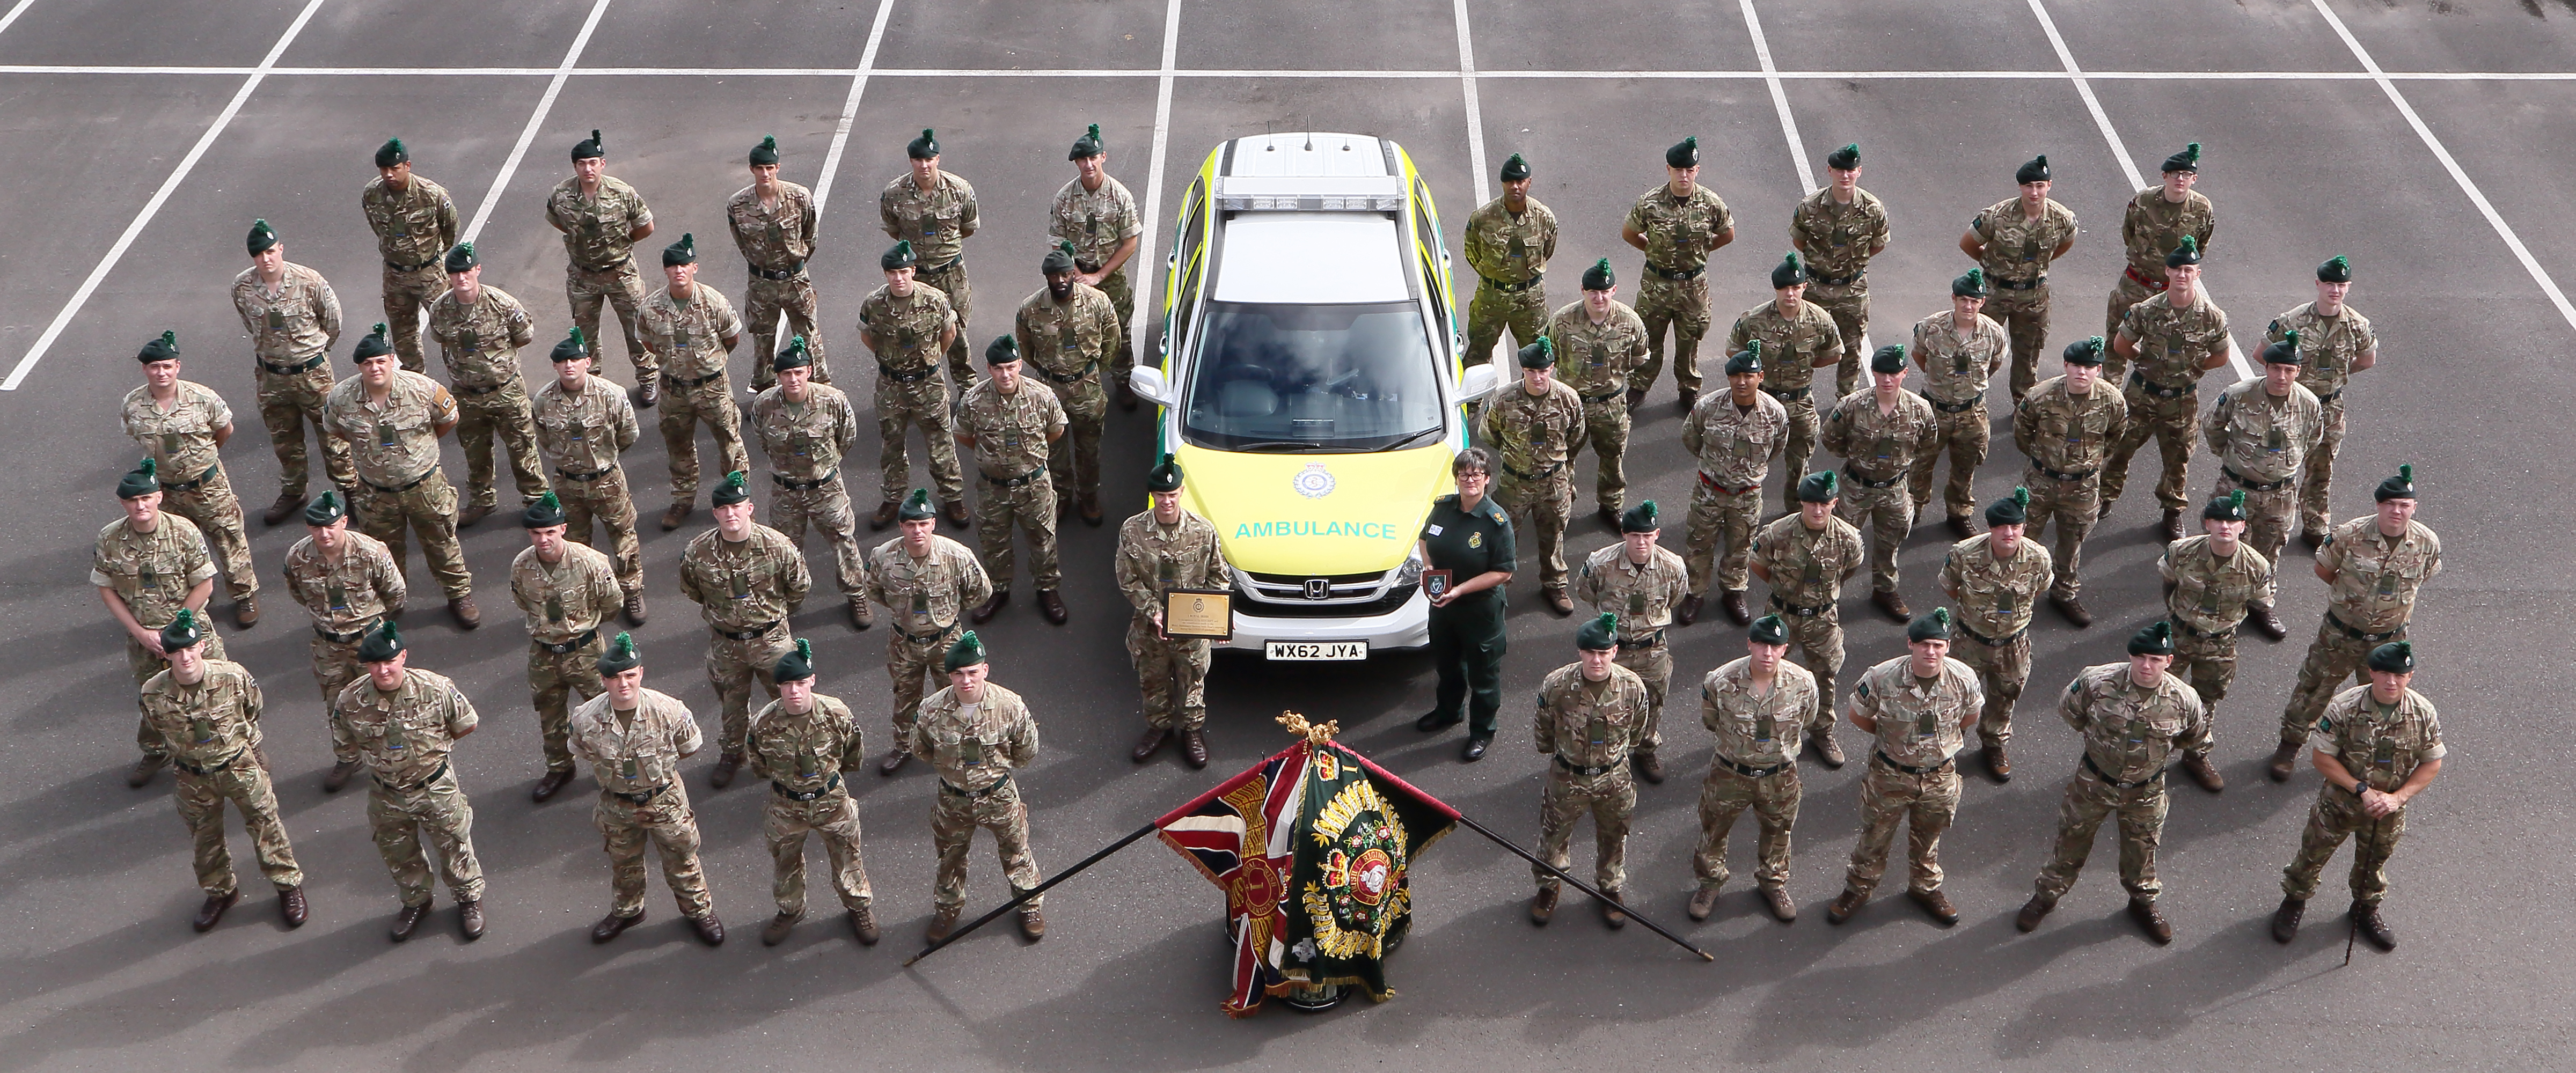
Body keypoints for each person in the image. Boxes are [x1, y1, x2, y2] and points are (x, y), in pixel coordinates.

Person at [2016, 621, 2211, 944]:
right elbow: (2070, 710)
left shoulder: (2184, 699)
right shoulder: (2097, 681)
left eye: (2155, 659)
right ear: (2130, 656)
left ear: (2169, 661)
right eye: (2140, 657)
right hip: (2094, 781)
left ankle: (2142, 902)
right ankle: (2047, 896)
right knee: (2071, 839)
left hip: (2146, 790)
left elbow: (2193, 737)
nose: (2146, 666)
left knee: (2142, 850)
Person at [140, 609, 305, 933]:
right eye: (177, 651)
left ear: (202, 646)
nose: (185, 658)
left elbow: (253, 708)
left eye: (190, 649)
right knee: (205, 838)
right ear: (167, 654)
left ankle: (288, 886)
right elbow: (155, 728)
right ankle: (221, 892)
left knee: (265, 825)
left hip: (238, 765)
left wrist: (248, 747)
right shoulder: (153, 693)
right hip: (192, 776)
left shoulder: (231, 676)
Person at [2271, 641, 2442, 952]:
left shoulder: (2422, 712)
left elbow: (2432, 762)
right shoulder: (2344, 707)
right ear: (2372, 673)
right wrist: (2361, 789)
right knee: (2313, 853)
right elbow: (2322, 758)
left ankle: (2365, 909)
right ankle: (2295, 900)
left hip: (2387, 810)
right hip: (2342, 802)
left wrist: (2398, 798)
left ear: (2410, 676)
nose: (2392, 681)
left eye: (2400, 675)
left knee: (2373, 863)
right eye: (2385, 674)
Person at [2270, 465, 2439, 781]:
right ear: (2379, 505)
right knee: (2314, 688)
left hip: (2389, 640)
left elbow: (2425, 576)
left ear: (2414, 507)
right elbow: (2324, 569)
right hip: (2341, 633)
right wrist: (2351, 601)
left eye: (2404, 505)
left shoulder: (2427, 543)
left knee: (2381, 699)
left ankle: (2358, 755)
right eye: (2390, 504)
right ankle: (2289, 745)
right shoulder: (2351, 534)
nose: (2397, 511)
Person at [332, 621, 486, 942]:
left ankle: (469, 899)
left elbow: (465, 724)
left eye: (389, 661)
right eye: (375, 664)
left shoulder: (436, 688)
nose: (383, 670)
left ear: (403, 655)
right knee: (398, 851)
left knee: (453, 843)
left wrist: (433, 754)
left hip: (434, 786)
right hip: (385, 793)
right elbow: (346, 741)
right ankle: (417, 901)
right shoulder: (351, 700)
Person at [1827, 608, 1981, 927]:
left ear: (1948, 647)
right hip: (1890, 774)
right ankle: (1858, 888)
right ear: (1910, 644)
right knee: (1875, 836)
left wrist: (1945, 742)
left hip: (1939, 776)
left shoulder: (1963, 678)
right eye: (1924, 644)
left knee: (1929, 837)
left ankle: (1925, 888)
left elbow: (1971, 717)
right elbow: (1857, 715)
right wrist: (1888, 739)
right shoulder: (1882, 677)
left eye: (1938, 645)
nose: (1931, 651)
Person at [322, 324, 479, 627]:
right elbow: (335, 430)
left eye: (381, 361)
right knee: (383, 552)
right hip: (375, 492)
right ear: (359, 367)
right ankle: (391, 602)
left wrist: (423, 452)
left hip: (424, 485)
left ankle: (459, 595)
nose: (375, 368)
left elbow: (449, 419)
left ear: (392, 360)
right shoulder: (342, 397)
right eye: (368, 364)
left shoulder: (423, 389)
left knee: (441, 543)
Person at [572, 634, 724, 946]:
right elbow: (582, 751)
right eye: (614, 678)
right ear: (603, 679)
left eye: (630, 675)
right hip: (617, 806)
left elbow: (689, 747)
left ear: (641, 673)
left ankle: (698, 911)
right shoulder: (586, 718)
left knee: (682, 859)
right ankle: (628, 910)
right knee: (623, 862)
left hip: (664, 800)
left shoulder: (669, 710)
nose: (623, 684)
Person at [99, 458, 229, 789]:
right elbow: (107, 588)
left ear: (158, 496)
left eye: (146, 498)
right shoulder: (110, 539)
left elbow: (205, 585)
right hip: (145, 639)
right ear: (123, 503)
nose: (140, 506)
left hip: (189, 633)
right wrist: (139, 632)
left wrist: (175, 628)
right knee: (154, 697)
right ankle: (156, 750)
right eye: (132, 500)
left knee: (217, 692)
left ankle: (243, 748)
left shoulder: (183, 532)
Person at [678, 471, 812, 789]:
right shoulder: (699, 552)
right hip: (727, 644)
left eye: (737, 506)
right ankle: (733, 753)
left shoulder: (777, 546)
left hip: (772, 640)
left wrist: (774, 616)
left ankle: (794, 751)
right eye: (723, 509)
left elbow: (799, 586)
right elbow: (692, 589)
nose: (730, 514)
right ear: (715, 513)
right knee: (731, 704)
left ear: (749, 508)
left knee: (788, 699)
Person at [912, 631, 1046, 943]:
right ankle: (947, 909)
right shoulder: (932, 709)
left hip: (998, 794)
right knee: (950, 857)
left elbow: (1027, 749)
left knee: (1016, 851)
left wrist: (996, 772)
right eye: (958, 674)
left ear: (985, 670)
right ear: (950, 676)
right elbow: (921, 749)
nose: (966, 681)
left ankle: (1029, 904)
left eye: (973, 672)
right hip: (953, 798)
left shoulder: (1010, 706)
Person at [747, 638, 879, 946]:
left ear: (812, 681)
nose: (794, 691)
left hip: (831, 800)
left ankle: (858, 906)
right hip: (786, 804)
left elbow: (852, 753)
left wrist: (828, 780)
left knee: (847, 855)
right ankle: (790, 909)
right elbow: (758, 762)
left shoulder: (836, 713)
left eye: (801, 683)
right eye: (787, 685)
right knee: (785, 861)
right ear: (778, 686)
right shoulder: (764, 722)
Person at [122, 330, 258, 626]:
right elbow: (137, 438)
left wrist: (203, 460)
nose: (161, 372)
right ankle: (194, 597)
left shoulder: (203, 397)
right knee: (176, 545)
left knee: (228, 538)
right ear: (144, 369)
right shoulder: (133, 405)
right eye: (155, 367)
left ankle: (244, 594)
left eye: (167, 366)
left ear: (177, 367)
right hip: (165, 490)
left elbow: (225, 430)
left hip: (207, 485)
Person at [2101, 236, 2232, 541]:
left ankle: (2172, 511)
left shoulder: (2212, 316)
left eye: (2190, 269)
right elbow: (2122, 345)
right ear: (2168, 272)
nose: (2183, 275)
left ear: (2198, 274)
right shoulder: (2146, 309)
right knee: (2121, 446)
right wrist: (2144, 361)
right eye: (2178, 270)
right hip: (2142, 392)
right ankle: (2105, 496)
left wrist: (2195, 369)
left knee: (2178, 457)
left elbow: (2222, 356)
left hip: (2182, 399)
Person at [1690, 614, 1818, 923]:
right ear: (1749, 644)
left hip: (1779, 775)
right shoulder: (1721, 680)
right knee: (1714, 829)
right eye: (1761, 645)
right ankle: (1710, 883)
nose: (1767, 653)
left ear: (1785, 648)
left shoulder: (1803, 683)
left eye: (1775, 646)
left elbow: (1809, 721)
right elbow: (1711, 719)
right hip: (1731, 771)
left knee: (1778, 832)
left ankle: (1773, 882)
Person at [1528, 613, 1650, 929]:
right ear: (1580, 652)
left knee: (1615, 834)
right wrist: (1552, 752)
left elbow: (1637, 731)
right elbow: (1544, 727)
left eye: (1603, 652)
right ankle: (1549, 886)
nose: (1597, 660)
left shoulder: (1632, 687)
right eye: (1590, 653)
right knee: (1554, 834)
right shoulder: (1557, 685)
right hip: (1568, 774)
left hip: (1614, 776)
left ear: (1614, 650)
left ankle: (1610, 889)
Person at [231, 217, 355, 525]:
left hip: (313, 374)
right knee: (284, 438)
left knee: (332, 435)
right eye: (259, 254)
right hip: (271, 376)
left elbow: (333, 322)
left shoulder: (309, 282)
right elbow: (250, 325)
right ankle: (294, 490)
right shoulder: (243, 287)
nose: (266, 259)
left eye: (271, 251)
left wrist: (315, 354)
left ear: (281, 249)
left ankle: (352, 490)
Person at [282, 491, 404, 793]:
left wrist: (378, 626)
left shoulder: (370, 551)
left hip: (370, 640)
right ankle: (348, 757)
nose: (324, 533)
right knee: (336, 704)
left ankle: (395, 757)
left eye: (331, 525)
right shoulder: (298, 558)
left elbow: (395, 592)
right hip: (328, 643)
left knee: (385, 700)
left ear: (344, 521)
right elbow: (299, 594)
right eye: (316, 528)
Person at [865, 490, 994, 775]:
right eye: (910, 525)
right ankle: (904, 746)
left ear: (933, 524)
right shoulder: (884, 557)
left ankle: (961, 746)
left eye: (923, 524)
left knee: (959, 694)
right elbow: (874, 589)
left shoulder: (956, 555)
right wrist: (903, 613)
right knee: (905, 696)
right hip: (904, 641)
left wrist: (951, 613)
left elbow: (980, 592)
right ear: (901, 527)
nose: (917, 530)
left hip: (947, 640)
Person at [422, 240, 548, 526]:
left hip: (505, 390)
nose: (461, 278)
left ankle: (536, 500)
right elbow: (441, 339)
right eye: (455, 274)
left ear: (478, 269)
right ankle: (482, 500)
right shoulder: (441, 310)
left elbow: (524, 336)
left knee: (522, 447)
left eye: (467, 271)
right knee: (475, 451)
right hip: (467, 394)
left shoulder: (502, 304)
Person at [749, 337, 872, 629]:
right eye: (787, 374)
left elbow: (848, 437)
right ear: (778, 377)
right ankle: (789, 597)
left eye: (799, 372)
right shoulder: (764, 404)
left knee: (843, 541)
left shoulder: (833, 400)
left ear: (809, 372)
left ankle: (856, 592)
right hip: (785, 491)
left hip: (825, 488)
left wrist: (825, 465)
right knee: (785, 547)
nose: (793, 379)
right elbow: (763, 440)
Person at [1117, 455, 1232, 768]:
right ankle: (1159, 727)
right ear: (1153, 495)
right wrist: (1154, 611)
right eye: (1161, 495)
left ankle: (1192, 731)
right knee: (1152, 681)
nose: (1167, 502)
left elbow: (1218, 577)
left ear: (1181, 492)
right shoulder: (1133, 531)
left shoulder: (1202, 531)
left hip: (1192, 627)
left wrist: (1216, 620)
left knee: (1192, 680)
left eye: (1172, 494)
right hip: (1149, 628)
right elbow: (1127, 578)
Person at [2204, 332, 2324, 627]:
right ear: (2267, 368)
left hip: (2280, 494)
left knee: (2270, 551)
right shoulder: (2239, 394)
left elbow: (2312, 441)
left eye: (2289, 370)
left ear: (2297, 371)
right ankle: (2215, 603)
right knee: (2224, 548)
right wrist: (2232, 460)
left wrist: (2284, 468)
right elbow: (2212, 426)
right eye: (2276, 369)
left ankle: (2261, 604)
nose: (2281, 376)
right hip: (2237, 488)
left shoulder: (2309, 404)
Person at [510, 491, 621, 803]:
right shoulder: (522, 565)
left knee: (604, 713)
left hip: (584, 651)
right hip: (543, 653)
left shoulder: (589, 562)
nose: (543, 540)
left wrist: (585, 626)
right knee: (550, 713)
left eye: (549, 532)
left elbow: (612, 604)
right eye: (536, 533)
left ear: (563, 528)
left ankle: (614, 770)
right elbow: (522, 601)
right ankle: (560, 767)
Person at [2160, 490, 2273, 794]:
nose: (2225, 526)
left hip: (2220, 643)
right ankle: (2152, 753)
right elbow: (2169, 583)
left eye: (2233, 521)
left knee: (2206, 702)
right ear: (2207, 523)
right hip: (2179, 634)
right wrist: (2177, 616)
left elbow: (2259, 603)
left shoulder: (2257, 566)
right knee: (2160, 695)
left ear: (2243, 527)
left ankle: (2195, 755)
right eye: (2219, 520)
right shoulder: (2182, 551)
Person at [1938, 488, 2053, 783]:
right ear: (1990, 528)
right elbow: (1951, 588)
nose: (2009, 532)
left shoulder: (2038, 558)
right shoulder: (1964, 553)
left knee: (2005, 697)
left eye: (2015, 526)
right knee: (1956, 695)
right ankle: (1947, 747)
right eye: (2002, 527)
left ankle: (1993, 743)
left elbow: (2041, 589)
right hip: (1970, 641)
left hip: (2013, 644)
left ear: (2024, 528)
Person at [1748, 472, 1863, 767]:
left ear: (1835, 503)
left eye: (1824, 504)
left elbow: (1850, 569)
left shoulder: (1848, 538)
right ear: (1802, 502)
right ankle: (1762, 730)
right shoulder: (1778, 532)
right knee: (1766, 673)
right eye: (1811, 503)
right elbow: (1759, 565)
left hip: (1822, 618)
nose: (1817, 510)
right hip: (1781, 615)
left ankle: (1822, 731)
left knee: (1825, 675)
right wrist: (1783, 592)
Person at [2012, 336, 2128, 627]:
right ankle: (2018, 591)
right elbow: (2023, 433)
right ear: (2066, 365)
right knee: (2024, 539)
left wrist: (2089, 464)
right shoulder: (2041, 396)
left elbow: (2115, 436)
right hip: (2041, 481)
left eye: (2089, 367)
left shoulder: (2111, 400)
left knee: (2073, 540)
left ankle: (2064, 593)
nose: (2082, 372)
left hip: (2083, 486)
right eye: (2076, 365)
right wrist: (2044, 462)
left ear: (2098, 370)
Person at [532, 327, 646, 623]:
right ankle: (587, 592)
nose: (569, 366)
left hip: (607, 479)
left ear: (588, 361)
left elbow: (628, 434)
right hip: (567, 483)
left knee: (623, 538)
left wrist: (604, 460)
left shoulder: (611, 395)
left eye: (575, 360)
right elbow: (543, 438)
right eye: (563, 362)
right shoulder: (544, 400)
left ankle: (631, 591)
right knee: (576, 545)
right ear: (555, 366)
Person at [640, 229, 751, 530]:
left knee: (729, 442)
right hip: (674, 389)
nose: (679, 271)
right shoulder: (651, 308)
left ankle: (735, 500)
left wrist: (708, 365)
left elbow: (732, 338)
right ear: (665, 270)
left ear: (694, 268)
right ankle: (683, 501)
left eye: (684, 265)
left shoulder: (714, 302)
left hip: (711, 387)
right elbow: (648, 343)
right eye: (673, 266)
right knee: (678, 446)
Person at [955, 336, 1070, 624]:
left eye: (1010, 367)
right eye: (998, 368)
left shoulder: (1041, 396)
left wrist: (1029, 458)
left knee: (1043, 539)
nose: (1005, 374)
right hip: (993, 487)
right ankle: (998, 590)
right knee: (994, 541)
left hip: (1034, 485)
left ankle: (1047, 589)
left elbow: (1056, 431)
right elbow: (964, 435)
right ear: (989, 369)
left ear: (1020, 364)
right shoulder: (974, 399)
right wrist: (991, 459)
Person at [1572, 502, 1687, 783]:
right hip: (1614, 649)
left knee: (1653, 701)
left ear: (1657, 534)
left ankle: (1646, 747)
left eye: (1647, 536)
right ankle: (1603, 753)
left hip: (1652, 648)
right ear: (1624, 534)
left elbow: (1677, 597)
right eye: (1635, 535)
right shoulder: (1601, 562)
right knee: (1602, 704)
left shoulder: (1672, 566)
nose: (1641, 542)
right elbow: (1586, 592)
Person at [2268, 256, 2379, 549]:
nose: (2335, 290)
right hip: (2295, 405)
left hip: (2330, 407)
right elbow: (2262, 353)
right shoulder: (2293, 320)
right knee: (2283, 462)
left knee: (2322, 467)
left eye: (2341, 285)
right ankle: (2274, 520)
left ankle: (2315, 523)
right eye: (2329, 284)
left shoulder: (2357, 324)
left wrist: (2341, 374)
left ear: (2348, 288)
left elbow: (2368, 359)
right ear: (2318, 284)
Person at [1414, 448, 1517, 762]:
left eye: (1476, 475)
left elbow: (1504, 572)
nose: (1469, 480)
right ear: (1457, 478)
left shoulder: (1496, 522)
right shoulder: (1443, 508)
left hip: (1479, 609)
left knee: (1484, 674)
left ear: (1487, 480)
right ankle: (1449, 712)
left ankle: (1482, 732)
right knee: (1447, 665)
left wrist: (1459, 591)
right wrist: (1429, 567)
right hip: (1444, 606)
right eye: (1464, 475)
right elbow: (1423, 540)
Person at [1821, 344, 1937, 620]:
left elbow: (1928, 444)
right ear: (1873, 373)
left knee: (1890, 543)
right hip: (1855, 487)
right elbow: (1831, 438)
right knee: (1839, 543)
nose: (1887, 380)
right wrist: (1856, 461)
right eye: (1882, 373)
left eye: (1894, 374)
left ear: (1905, 373)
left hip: (1894, 488)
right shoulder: (1852, 405)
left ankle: (1885, 589)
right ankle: (1828, 595)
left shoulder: (1919, 410)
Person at [1678, 344, 1788, 626]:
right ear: (1728, 378)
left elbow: (1777, 447)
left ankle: (1733, 591)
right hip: (1709, 491)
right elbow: (1692, 438)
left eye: (1749, 376)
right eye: (1736, 376)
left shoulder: (1774, 413)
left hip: (1747, 496)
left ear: (1760, 377)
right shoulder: (1708, 406)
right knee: (1699, 543)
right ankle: (1695, 592)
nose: (1742, 382)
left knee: (1741, 545)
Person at [858, 240, 965, 529]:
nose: (899, 278)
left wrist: (933, 359)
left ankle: (952, 497)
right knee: (892, 443)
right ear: (886, 274)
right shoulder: (874, 304)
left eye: (904, 272)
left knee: (940, 440)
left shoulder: (935, 299)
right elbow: (867, 335)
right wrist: (884, 357)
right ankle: (893, 498)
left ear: (913, 271)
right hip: (891, 384)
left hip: (927, 383)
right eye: (893, 273)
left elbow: (950, 333)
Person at [1621, 137, 1735, 410]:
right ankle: (1639, 386)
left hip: (1692, 286)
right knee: (1649, 339)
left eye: (1689, 170)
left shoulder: (1710, 203)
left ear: (1697, 170)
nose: (1684, 175)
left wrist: (1704, 251)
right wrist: (1650, 250)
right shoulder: (1650, 202)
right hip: (1656, 284)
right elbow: (1629, 233)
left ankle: (1688, 388)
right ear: (1668, 169)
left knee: (1689, 342)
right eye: (1678, 169)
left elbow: (1727, 233)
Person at [545, 129, 657, 403]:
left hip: (621, 273)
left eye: (593, 162)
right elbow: (556, 221)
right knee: (585, 335)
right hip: (583, 277)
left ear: (602, 164)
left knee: (636, 328)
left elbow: (646, 226)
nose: (588, 169)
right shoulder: (561, 195)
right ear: (575, 167)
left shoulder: (621, 192)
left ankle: (648, 378)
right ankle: (591, 383)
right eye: (582, 164)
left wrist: (625, 243)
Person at [1723, 252, 1843, 509]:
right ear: (1776, 289)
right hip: (1761, 401)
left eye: (1796, 288)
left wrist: (1804, 368)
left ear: (1805, 287)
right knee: (1747, 459)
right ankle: (1739, 511)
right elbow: (1734, 352)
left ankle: (1795, 512)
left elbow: (1833, 354)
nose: (1790, 294)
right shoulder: (1754, 320)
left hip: (1799, 403)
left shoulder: (1820, 320)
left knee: (1799, 463)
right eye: (1784, 288)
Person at [1014, 241, 1121, 526]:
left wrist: (1096, 370)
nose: (1060, 281)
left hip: (1087, 388)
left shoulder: (1097, 302)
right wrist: (1049, 372)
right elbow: (1026, 350)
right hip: (1050, 391)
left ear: (1073, 273)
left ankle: (1088, 496)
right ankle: (1061, 495)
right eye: (1054, 276)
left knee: (1089, 448)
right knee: (1053, 447)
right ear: (1047, 277)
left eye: (1065, 275)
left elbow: (1112, 341)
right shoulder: (1031, 308)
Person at [1962, 155, 2079, 404]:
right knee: (1980, 349)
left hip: (2033, 296)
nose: (2034, 192)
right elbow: (1968, 243)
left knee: (2028, 356)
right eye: (2028, 186)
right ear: (2020, 187)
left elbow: (2066, 242)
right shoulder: (1998, 215)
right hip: (1995, 292)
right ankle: (1970, 402)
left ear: (2049, 185)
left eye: (2040, 185)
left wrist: (2040, 265)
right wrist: (1989, 264)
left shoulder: (2062, 218)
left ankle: (2023, 407)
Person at [1479, 340, 1584, 614]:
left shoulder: (1568, 399)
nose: (1538, 377)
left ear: (1552, 368)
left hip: (1553, 482)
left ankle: (1555, 584)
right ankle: (1500, 587)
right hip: (1515, 483)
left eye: (1543, 371)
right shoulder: (1504, 400)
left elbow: (1576, 436)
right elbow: (1489, 434)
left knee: (1554, 534)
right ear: (1523, 370)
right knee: (1504, 536)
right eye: (1531, 372)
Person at [1545, 259, 1649, 526]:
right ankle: (1563, 504)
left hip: (1611, 404)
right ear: (1583, 290)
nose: (1599, 297)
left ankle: (1611, 505)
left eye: (1605, 291)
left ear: (1613, 291)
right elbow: (1549, 359)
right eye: (1593, 292)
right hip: (1571, 403)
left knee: (1612, 458)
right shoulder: (1563, 321)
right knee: (1563, 456)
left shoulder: (1630, 322)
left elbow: (1640, 358)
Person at [1908, 270, 2010, 535]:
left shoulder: (1994, 333)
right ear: (1953, 298)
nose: (1968, 306)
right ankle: (1913, 509)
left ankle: (1959, 513)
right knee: (1920, 462)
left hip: (1972, 412)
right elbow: (1920, 356)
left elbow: (1994, 364)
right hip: (1933, 408)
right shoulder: (1931, 327)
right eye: (1963, 299)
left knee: (1966, 466)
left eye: (1974, 301)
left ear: (1982, 302)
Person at [1050, 123, 1145, 408]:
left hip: (1110, 277)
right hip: (1074, 275)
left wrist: (1100, 275)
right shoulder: (1065, 198)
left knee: (1118, 333)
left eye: (1094, 157)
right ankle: (1074, 390)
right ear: (1077, 162)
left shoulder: (1120, 197)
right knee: (1072, 331)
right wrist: (1078, 275)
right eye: (1083, 159)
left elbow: (1130, 242)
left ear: (1103, 157)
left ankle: (1124, 384)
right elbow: (1057, 241)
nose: (1089, 164)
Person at [730, 134, 832, 391]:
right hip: (761, 283)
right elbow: (741, 242)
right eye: (760, 169)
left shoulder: (799, 197)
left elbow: (811, 236)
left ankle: (821, 388)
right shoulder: (738, 204)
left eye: (770, 168)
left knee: (809, 335)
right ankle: (764, 391)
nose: (765, 174)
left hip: (795, 280)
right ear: (752, 169)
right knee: (763, 339)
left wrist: (795, 263)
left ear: (778, 168)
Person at [1790, 143, 1892, 399]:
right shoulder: (1811, 206)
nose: (1845, 176)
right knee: (1804, 345)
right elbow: (1800, 240)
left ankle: (1846, 400)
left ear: (1859, 171)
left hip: (1852, 289)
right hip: (1816, 286)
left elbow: (1878, 244)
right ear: (1830, 171)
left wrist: (1851, 265)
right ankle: (1800, 399)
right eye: (1839, 170)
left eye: (1850, 171)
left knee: (1852, 349)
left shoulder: (1873, 208)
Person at [2103, 143, 2218, 365]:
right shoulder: (2143, 201)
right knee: (2115, 346)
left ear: (2194, 179)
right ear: (2165, 176)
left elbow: (2200, 246)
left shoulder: (2202, 208)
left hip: (2172, 292)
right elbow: (2129, 233)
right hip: (2135, 284)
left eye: (2187, 174)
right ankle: (2114, 398)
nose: (2180, 179)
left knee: (2167, 353)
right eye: (2175, 174)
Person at [882, 128, 980, 387]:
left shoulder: (959, 189)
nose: (924, 165)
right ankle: (920, 384)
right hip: (916, 275)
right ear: (911, 161)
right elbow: (894, 229)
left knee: (957, 331)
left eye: (929, 159)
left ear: (938, 159)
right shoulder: (895, 192)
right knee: (915, 330)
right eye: (918, 160)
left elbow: (968, 227)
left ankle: (965, 384)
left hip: (951, 273)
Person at [361, 137, 460, 374]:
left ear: (408, 166)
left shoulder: (431, 194)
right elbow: (377, 228)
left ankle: (460, 375)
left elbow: (450, 229)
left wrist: (436, 258)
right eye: (384, 169)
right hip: (395, 274)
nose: (389, 175)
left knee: (449, 326)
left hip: (429, 272)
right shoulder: (372, 194)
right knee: (402, 328)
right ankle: (415, 377)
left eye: (395, 169)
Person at [1463, 152, 1558, 369]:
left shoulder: (1544, 218)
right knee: (1478, 352)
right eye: (1509, 181)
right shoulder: (1483, 217)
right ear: (1503, 183)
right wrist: (1493, 276)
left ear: (1529, 183)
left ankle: (1535, 399)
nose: (1515, 186)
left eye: (1520, 181)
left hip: (1530, 299)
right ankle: (1471, 402)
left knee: (1538, 355)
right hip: (1492, 297)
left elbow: (1548, 250)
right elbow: (1472, 251)